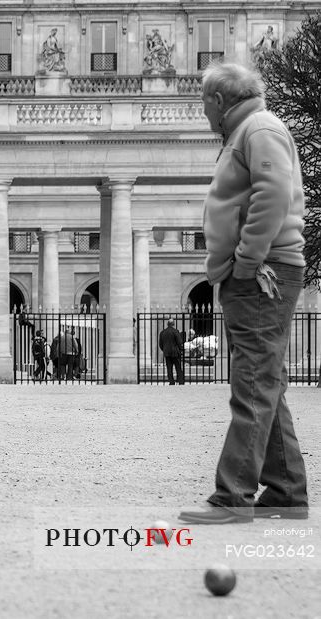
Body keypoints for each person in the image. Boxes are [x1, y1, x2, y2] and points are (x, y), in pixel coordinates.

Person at [178, 61, 308, 524]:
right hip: (259, 268)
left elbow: (272, 194)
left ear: (217, 100)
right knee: (265, 380)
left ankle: (233, 496)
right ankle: (287, 491)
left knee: (251, 382)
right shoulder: (252, 129)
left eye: (204, 106)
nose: (205, 116)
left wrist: (248, 261)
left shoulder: (258, 128)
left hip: (261, 271)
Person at [157, 319, 185, 385]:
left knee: (169, 368)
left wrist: (164, 350)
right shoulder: (175, 331)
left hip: (167, 353)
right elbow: (179, 342)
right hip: (175, 352)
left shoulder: (162, 332)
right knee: (178, 367)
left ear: (167, 324)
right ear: (173, 324)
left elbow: (160, 344)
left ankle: (171, 381)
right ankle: (180, 381)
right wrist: (180, 349)